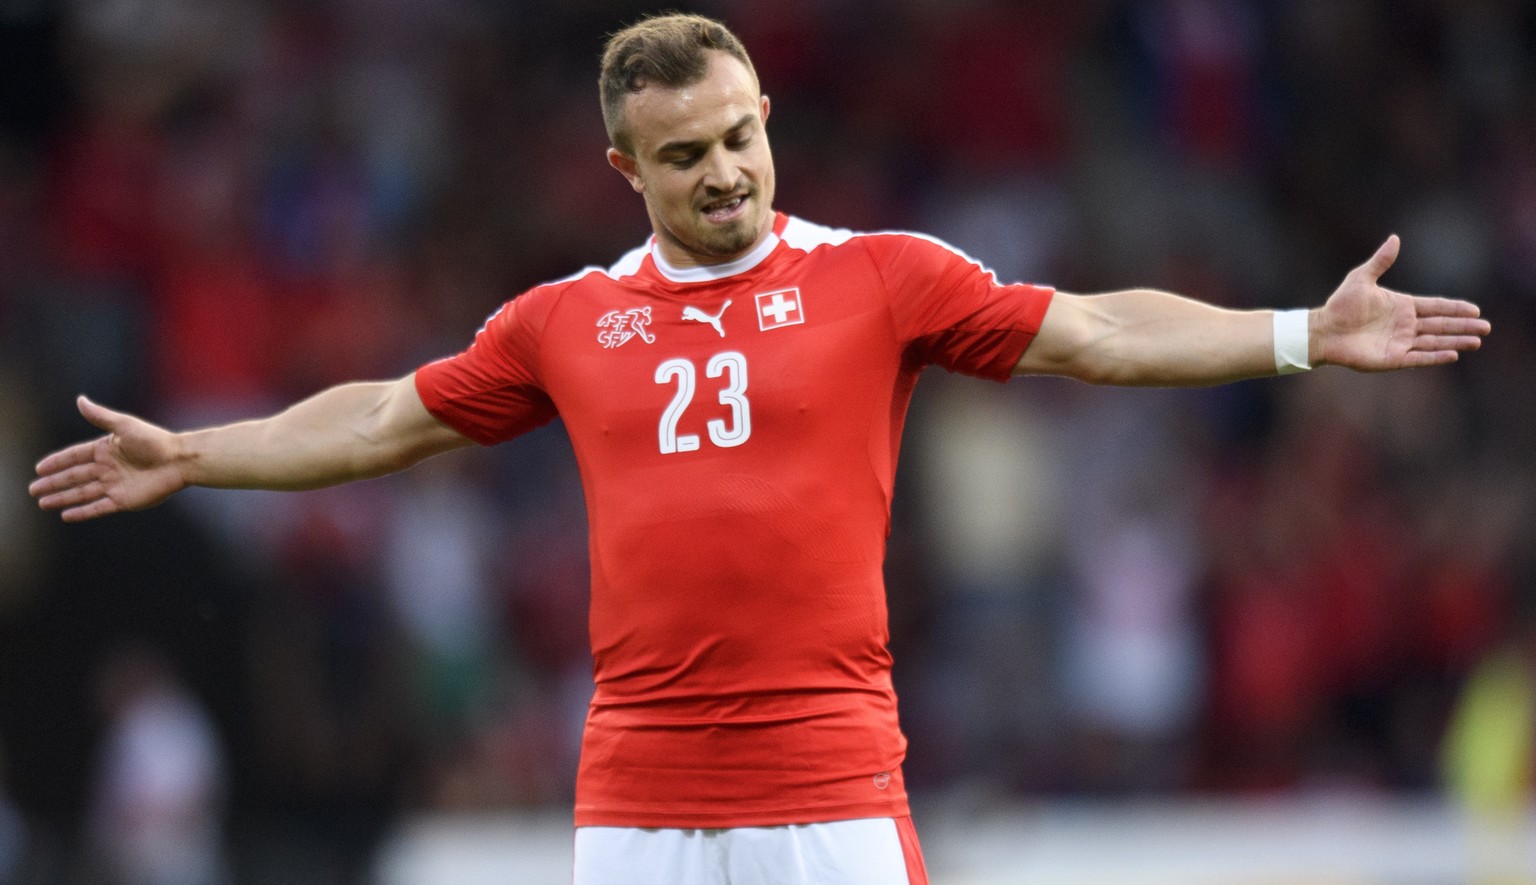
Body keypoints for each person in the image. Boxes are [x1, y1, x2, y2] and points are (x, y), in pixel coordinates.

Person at [30, 12, 1489, 885]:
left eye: (740, 135)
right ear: (627, 168)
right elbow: (381, 419)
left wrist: (1302, 329)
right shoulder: (566, 319)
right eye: (685, 154)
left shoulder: (880, 276)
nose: (724, 171)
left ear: (766, 116)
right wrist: (199, 454)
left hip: (831, 785)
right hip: (637, 796)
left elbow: (1099, 332)